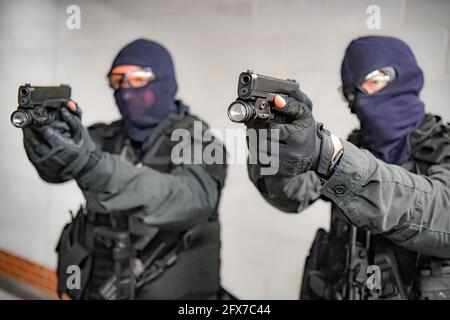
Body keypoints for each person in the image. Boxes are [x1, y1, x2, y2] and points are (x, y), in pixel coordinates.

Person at [246, 35, 450, 299]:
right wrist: (272, 144)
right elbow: (293, 195)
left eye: (373, 82)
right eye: (351, 93)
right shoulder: (357, 145)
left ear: (405, 77)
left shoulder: (442, 146)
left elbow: (441, 214)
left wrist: (332, 156)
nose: (360, 101)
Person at [22, 39, 228, 300]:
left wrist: (94, 167)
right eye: (117, 81)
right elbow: (57, 168)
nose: (125, 90)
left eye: (138, 79)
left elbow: (189, 200)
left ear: (164, 82)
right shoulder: (107, 135)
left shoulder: (200, 141)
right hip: (97, 285)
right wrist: (47, 137)